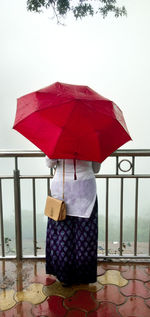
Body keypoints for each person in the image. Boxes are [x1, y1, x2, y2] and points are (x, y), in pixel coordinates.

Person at [45, 157, 101, 286]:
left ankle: (65, 276)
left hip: (61, 191)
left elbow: (49, 163)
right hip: (86, 191)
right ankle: (83, 275)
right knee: (85, 236)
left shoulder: (58, 140)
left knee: (63, 235)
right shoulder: (91, 140)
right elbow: (96, 169)